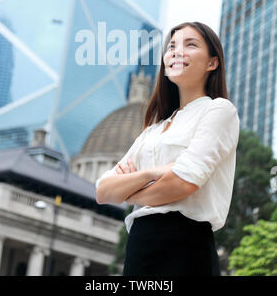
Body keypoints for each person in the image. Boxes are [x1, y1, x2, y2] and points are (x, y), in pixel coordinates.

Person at [96, 21, 240, 276]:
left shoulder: (218, 110)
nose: (176, 51)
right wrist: (150, 175)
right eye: (171, 46)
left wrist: (128, 192)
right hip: (139, 246)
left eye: (190, 44)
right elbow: (104, 192)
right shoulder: (152, 130)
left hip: (185, 245)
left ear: (212, 63)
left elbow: (183, 183)